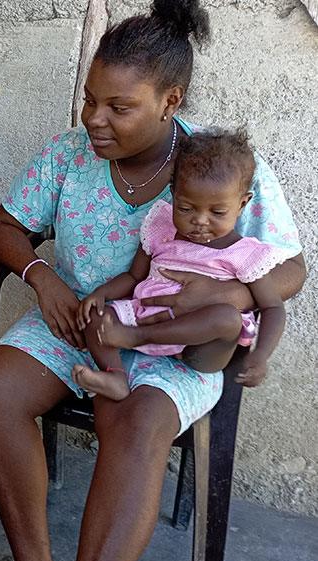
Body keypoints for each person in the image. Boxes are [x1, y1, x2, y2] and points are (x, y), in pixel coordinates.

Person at [0, 1, 306, 561]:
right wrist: (41, 277)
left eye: (119, 107)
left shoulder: (218, 167)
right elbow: (4, 227)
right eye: (90, 99)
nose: (95, 119)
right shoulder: (68, 154)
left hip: (177, 346)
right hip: (78, 319)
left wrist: (227, 292)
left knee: (132, 422)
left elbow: (291, 271)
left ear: (170, 102)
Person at [72, 129, 288, 400]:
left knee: (227, 318)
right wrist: (101, 295)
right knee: (96, 315)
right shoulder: (160, 227)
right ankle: (114, 375)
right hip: (144, 317)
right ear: (174, 194)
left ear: (242, 203)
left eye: (217, 212)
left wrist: (261, 355)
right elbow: (133, 277)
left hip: (200, 347)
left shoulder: (245, 254)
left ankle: (137, 338)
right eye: (186, 208)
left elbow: (273, 307)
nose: (200, 220)